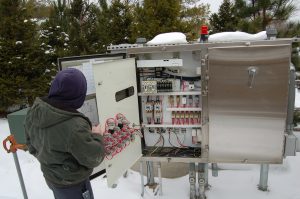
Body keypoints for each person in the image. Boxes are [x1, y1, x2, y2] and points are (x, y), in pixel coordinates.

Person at [24, 68, 105, 199]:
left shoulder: (34, 111)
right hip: (73, 183)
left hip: (51, 177)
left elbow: (31, 144)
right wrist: (97, 135)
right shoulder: (74, 126)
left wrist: (49, 159)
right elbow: (94, 158)